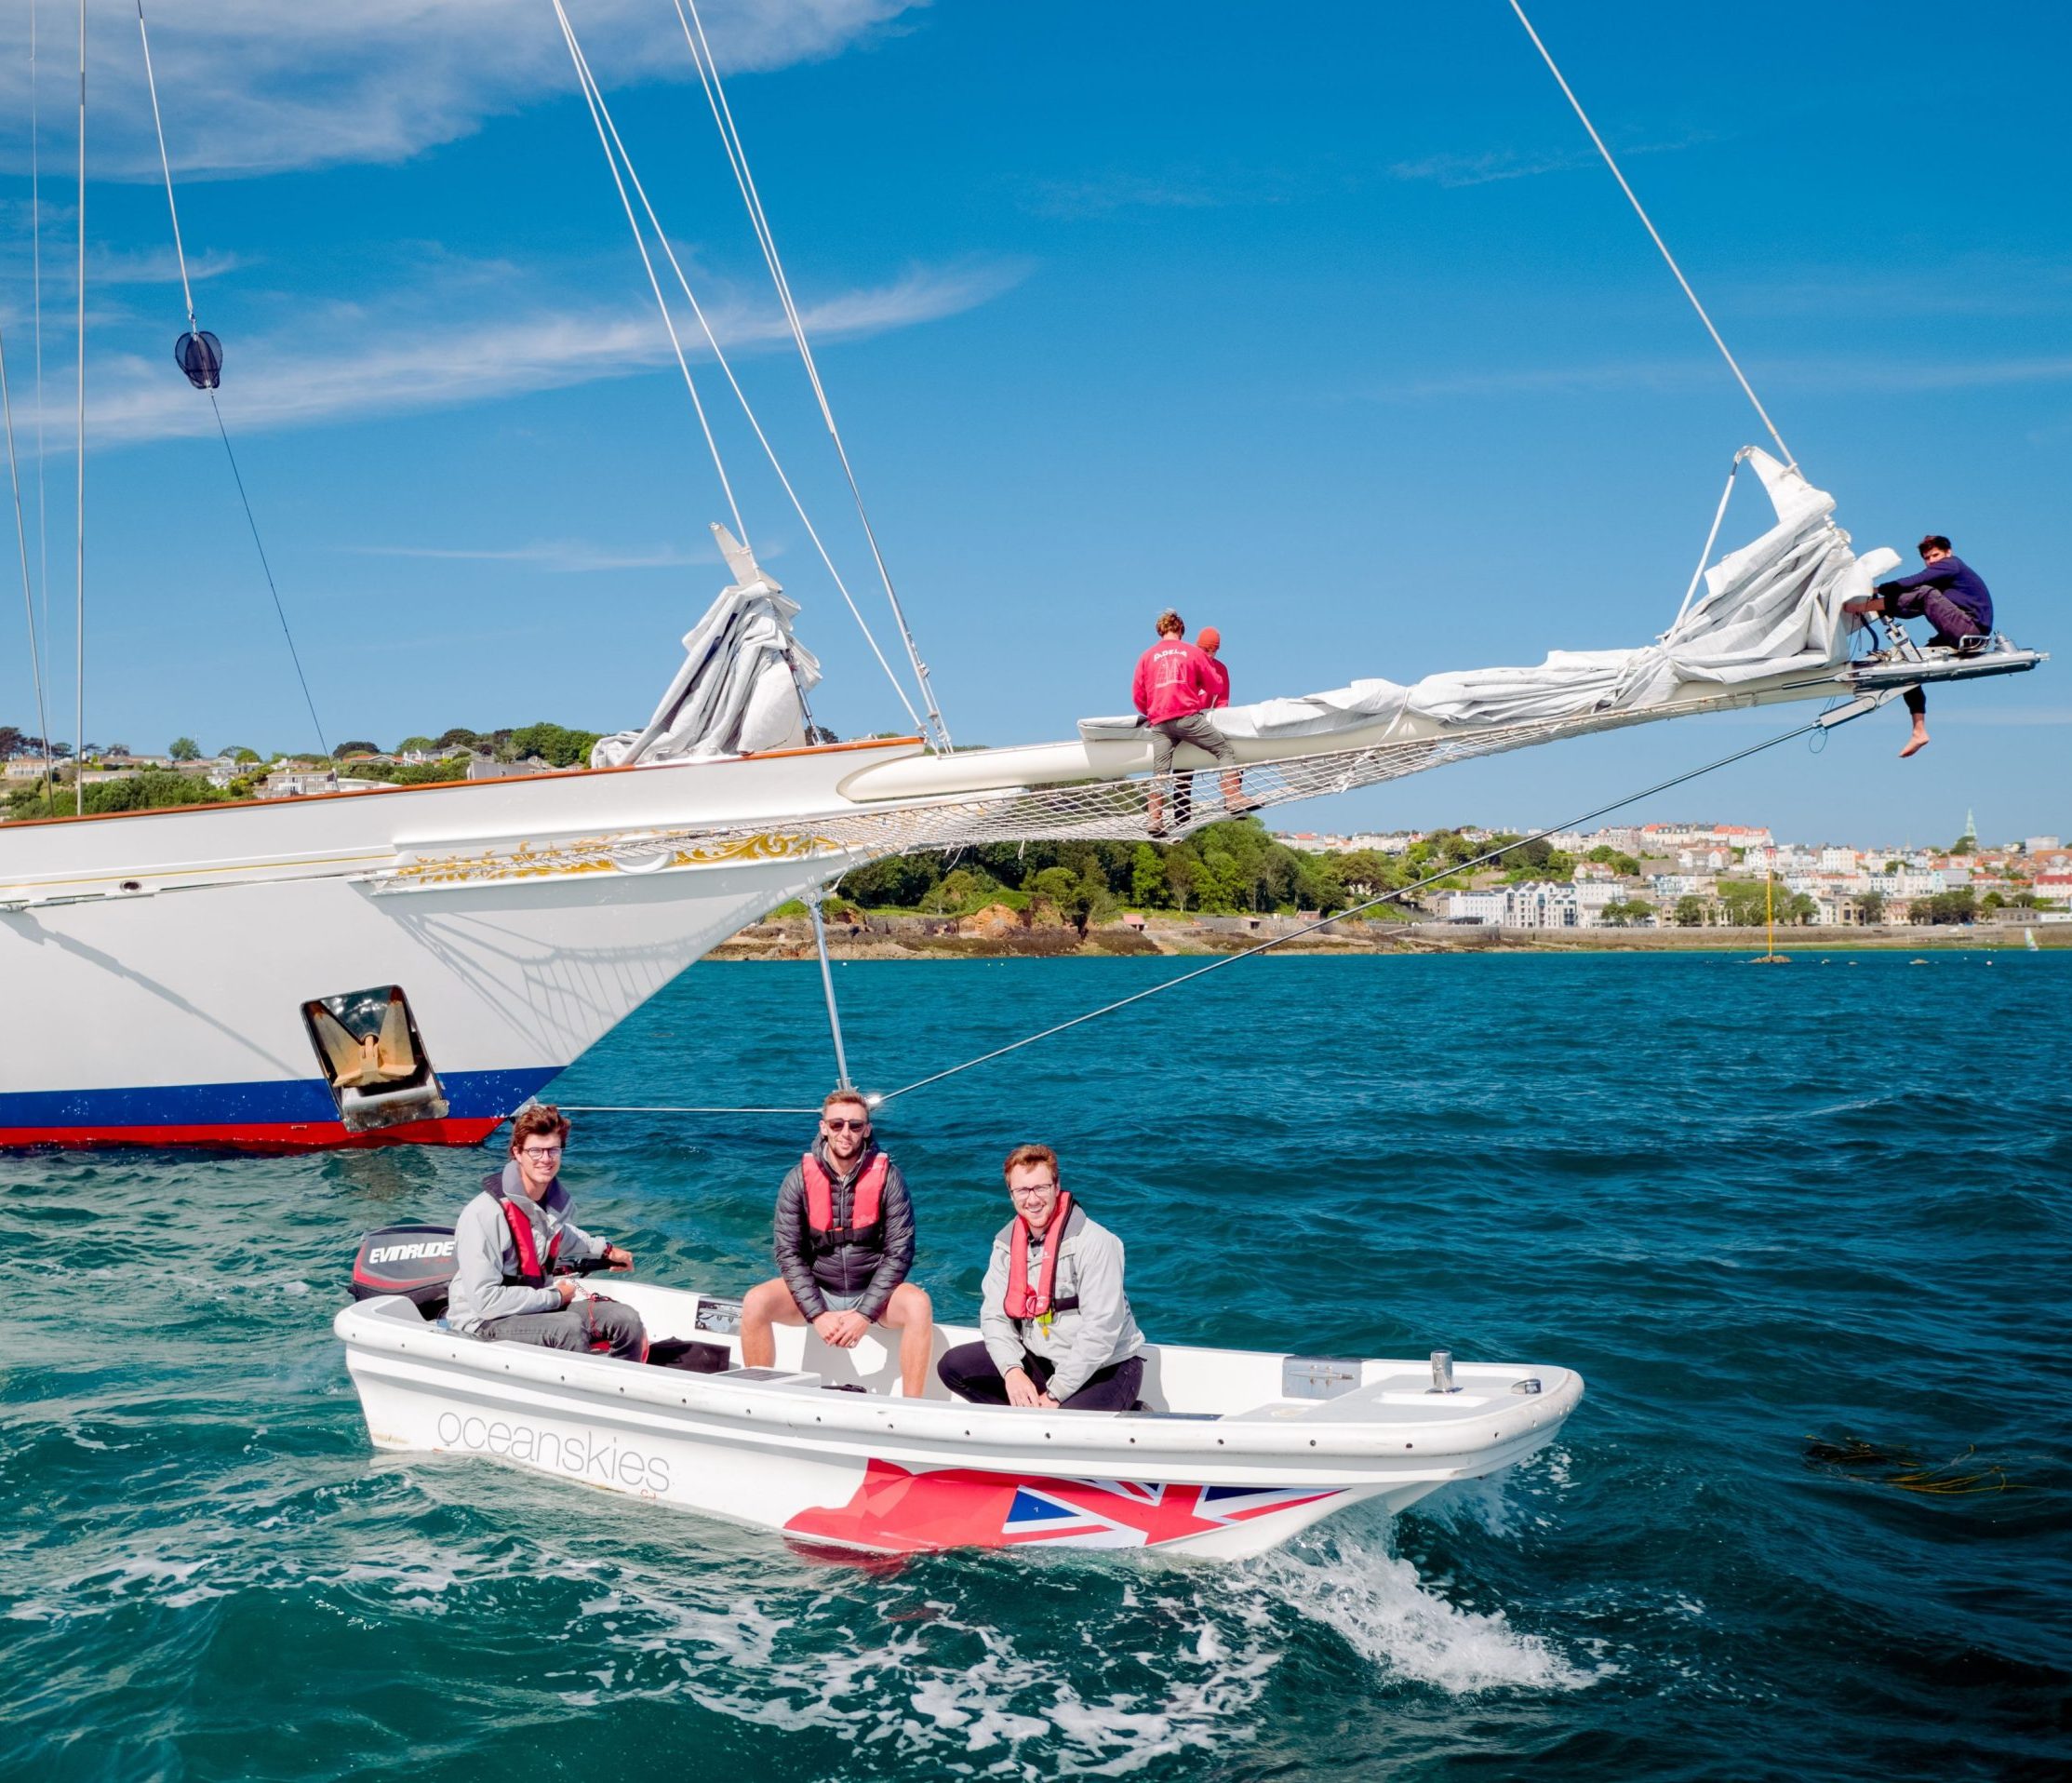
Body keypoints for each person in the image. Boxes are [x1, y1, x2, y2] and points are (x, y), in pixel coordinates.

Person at [740, 1089, 934, 1397]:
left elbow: (899, 1253)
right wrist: (817, 1314)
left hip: (873, 1293)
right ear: (823, 1128)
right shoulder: (798, 1179)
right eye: (837, 1124)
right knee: (755, 1302)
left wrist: (864, 1314)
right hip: (820, 1290)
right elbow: (788, 1253)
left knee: (918, 1305)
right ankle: (759, 1397)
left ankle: (912, 1408)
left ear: (866, 1130)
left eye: (855, 1125)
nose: (846, 1133)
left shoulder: (890, 1178)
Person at [937, 1145, 1145, 1412]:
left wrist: (1055, 1394)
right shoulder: (1004, 1245)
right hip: (1044, 1359)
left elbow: (1101, 1331)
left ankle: (1130, 1409)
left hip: (1106, 1367)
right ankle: (1025, 1418)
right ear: (1011, 1194)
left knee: (1059, 1427)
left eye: (1040, 1188)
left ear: (1056, 1187)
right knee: (953, 1367)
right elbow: (994, 1318)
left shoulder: (1096, 1242)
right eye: (1022, 1190)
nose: (1032, 1200)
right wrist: (1012, 1371)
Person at [446, 1104, 646, 1358]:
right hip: (481, 1321)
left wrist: (606, 1250)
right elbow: (485, 1301)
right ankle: (577, 1383)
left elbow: (562, 1235)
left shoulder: (547, 1205)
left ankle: (620, 1378)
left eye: (553, 1150)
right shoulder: (483, 1215)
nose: (546, 1159)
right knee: (568, 1329)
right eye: (535, 1151)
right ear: (517, 1153)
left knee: (625, 1319)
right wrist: (555, 1297)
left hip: (533, 1308)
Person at [1843, 535, 1996, 759]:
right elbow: (1911, 605)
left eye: (1935, 555)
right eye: (1927, 558)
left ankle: (1861, 607)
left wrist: (1876, 591)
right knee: (1908, 665)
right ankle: (1919, 730)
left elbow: (1917, 581)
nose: (1932, 561)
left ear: (1948, 552)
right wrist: (1888, 605)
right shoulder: (1944, 582)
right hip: (1959, 631)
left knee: (1924, 591)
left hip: (1970, 630)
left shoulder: (1952, 565)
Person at [1131, 609, 1254, 838]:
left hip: (1160, 723)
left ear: (1160, 631)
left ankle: (1154, 819)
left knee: (1160, 773)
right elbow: (1215, 687)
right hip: (1187, 718)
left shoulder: (1146, 656)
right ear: (1181, 630)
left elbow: (1138, 695)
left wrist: (1153, 712)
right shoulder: (1191, 652)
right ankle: (1233, 799)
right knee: (1224, 751)